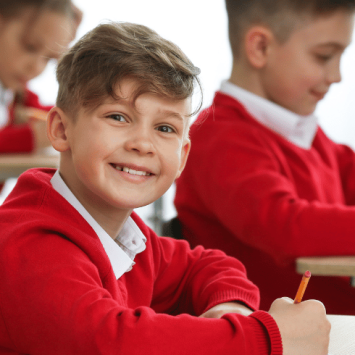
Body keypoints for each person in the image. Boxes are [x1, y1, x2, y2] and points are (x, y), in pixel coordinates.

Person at [0, 22, 330, 354]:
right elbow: (111, 341)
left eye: (165, 127)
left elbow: (206, 266)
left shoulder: (129, 240)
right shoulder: (32, 246)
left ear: (183, 156)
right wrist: (262, 338)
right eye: (118, 117)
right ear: (60, 130)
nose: (143, 144)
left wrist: (232, 310)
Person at [174, 0, 355, 315]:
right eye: (324, 56)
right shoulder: (219, 137)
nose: (337, 75)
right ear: (259, 47)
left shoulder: (302, 132)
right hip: (280, 330)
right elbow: (287, 226)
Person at [0, 0, 82, 155]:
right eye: (30, 47)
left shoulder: (15, 94)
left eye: (48, 58)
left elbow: (44, 113)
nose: (36, 68)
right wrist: (32, 137)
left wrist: (78, 117)